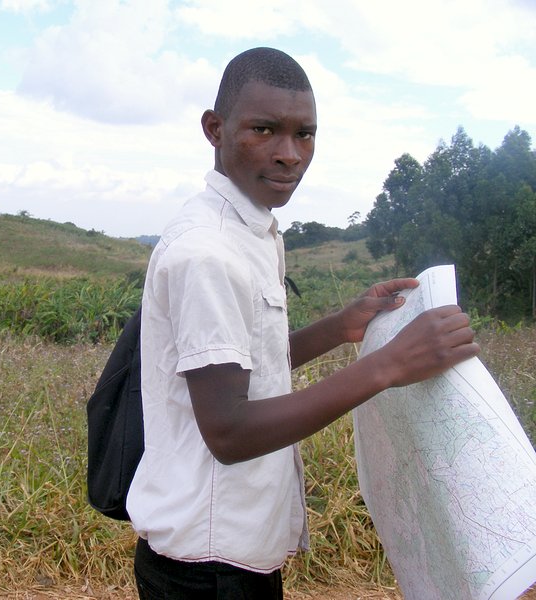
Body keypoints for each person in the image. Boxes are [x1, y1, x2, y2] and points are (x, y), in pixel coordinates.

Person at [126, 47, 480, 599]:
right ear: (214, 129)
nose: (290, 155)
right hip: (206, 568)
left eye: (305, 135)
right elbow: (229, 431)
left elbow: (246, 365)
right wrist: (389, 366)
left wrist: (341, 326)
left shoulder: (252, 231)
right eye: (264, 130)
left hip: (232, 555)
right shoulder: (207, 253)